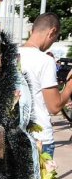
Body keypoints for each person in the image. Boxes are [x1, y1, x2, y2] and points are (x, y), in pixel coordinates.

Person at [20, 12, 72, 157]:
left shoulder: (9, 57)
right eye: (54, 39)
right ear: (52, 32)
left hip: (14, 137)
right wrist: (69, 86)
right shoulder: (45, 61)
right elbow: (54, 106)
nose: (51, 43)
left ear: (32, 30)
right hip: (39, 138)